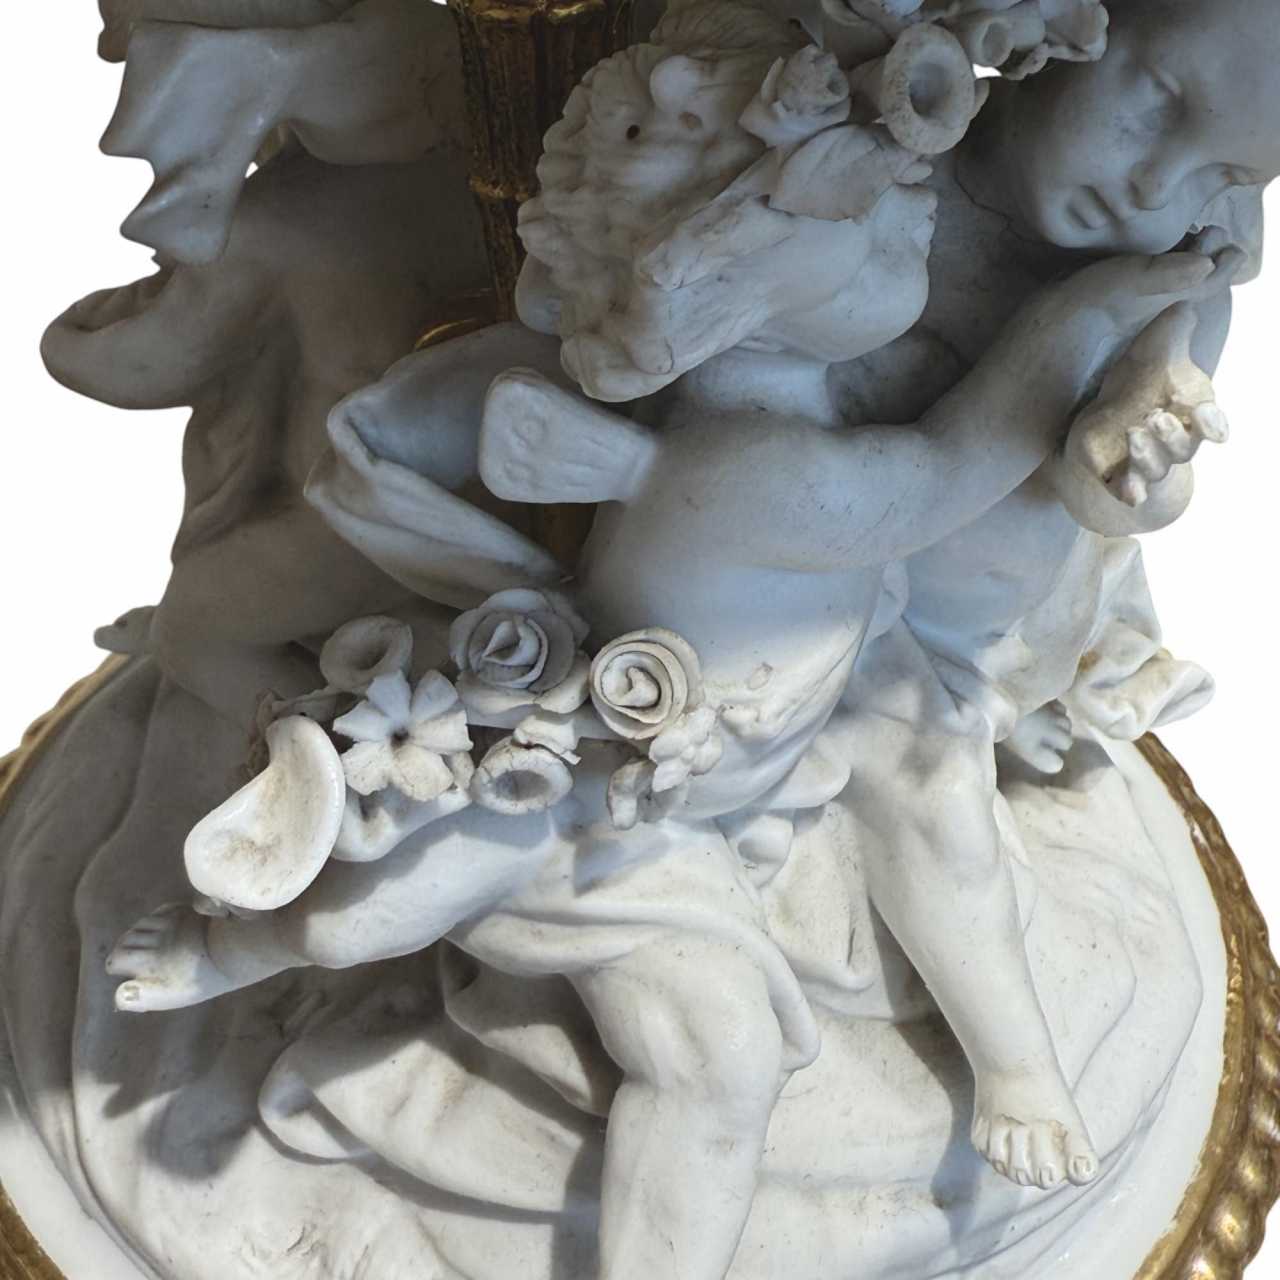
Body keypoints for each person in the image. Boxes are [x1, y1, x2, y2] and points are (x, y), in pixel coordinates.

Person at [106, 6, 1225, 1276]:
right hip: (614, 799)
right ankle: (230, 940)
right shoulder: (759, 472)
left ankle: (1010, 1064)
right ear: (727, 282)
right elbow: (955, 461)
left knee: (917, 830)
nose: (913, 221)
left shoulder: (744, 416)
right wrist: (1099, 304)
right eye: (871, 223)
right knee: (393, 922)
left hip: (796, 708)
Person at [821, 0, 1280, 1192]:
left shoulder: (1165, 289)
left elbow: (1118, 487)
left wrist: (1133, 459)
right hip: (819, 580)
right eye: (1158, 103)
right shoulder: (878, 178)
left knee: (926, 780)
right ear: (1059, 30)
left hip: (964, 630)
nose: (1155, 184)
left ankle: (1014, 1062)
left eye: (1226, 172)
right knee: (896, 759)